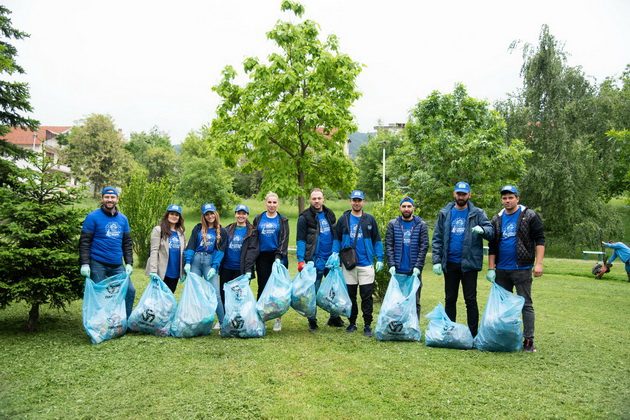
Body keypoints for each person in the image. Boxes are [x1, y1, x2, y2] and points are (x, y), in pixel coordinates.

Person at [431, 181, 494, 338]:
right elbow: (437, 237)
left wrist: (483, 230)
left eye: (464, 194)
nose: (461, 196)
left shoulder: (478, 213)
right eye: (458, 193)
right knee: (450, 299)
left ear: (469, 195)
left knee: (470, 300)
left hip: (469, 264)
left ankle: (473, 335)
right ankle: (450, 332)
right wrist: (437, 260)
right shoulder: (445, 213)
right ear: (454, 194)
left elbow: (491, 231)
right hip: (450, 263)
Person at [487, 185, 545, 352]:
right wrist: (491, 268)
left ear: (517, 198)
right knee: (502, 305)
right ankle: (504, 337)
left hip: (522, 268)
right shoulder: (497, 219)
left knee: (525, 304)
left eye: (510, 197)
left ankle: (528, 341)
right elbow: (492, 245)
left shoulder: (529, 216)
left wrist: (539, 263)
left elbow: (540, 240)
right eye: (504, 198)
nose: (507, 201)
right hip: (502, 269)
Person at [333, 190, 384, 337]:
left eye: (359, 200)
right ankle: (352, 323)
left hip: (366, 264)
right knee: (351, 296)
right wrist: (335, 255)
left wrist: (379, 258)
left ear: (363, 202)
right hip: (349, 265)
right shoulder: (343, 219)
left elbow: (377, 240)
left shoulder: (369, 220)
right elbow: (337, 239)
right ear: (350, 201)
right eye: (354, 200)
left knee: (367, 297)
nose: (356, 203)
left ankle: (367, 325)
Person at [79, 186, 136, 317]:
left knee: (129, 290)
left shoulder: (123, 219)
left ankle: (124, 321)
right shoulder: (92, 217)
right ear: (102, 198)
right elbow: (85, 242)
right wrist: (85, 264)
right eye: (107, 197)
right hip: (97, 263)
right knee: (99, 294)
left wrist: (129, 263)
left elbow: (126, 243)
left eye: (112, 197)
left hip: (117, 264)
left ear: (117, 199)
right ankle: (99, 323)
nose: (109, 200)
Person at [296, 188, 344, 332]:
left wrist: (336, 254)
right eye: (314, 199)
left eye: (319, 198)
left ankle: (334, 317)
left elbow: (336, 236)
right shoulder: (304, 217)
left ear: (323, 199)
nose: (317, 201)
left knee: (333, 290)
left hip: (330, 260)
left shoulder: (330, 214)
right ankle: (312, 320)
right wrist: (300, 259)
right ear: (310, 200)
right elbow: (301, 240)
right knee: (313, 291)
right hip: (314, 260)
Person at [184, 203, 227, 328]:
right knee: (195, 293)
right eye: (207, 214)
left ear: (215, 214)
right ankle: (194, 321)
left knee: (215, 294)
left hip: (209, 262)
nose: (210, 216)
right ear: (204, 216)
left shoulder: (221, 231)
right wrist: (187, 262)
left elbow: (220, 250)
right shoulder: (198, 228)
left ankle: (223, 323)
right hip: (196, 262)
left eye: (211, 213)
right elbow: (191, 245)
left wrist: (215, 266)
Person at [385, 196, 429, 318]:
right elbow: (388, 245)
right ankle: (397, 327)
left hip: (413, 272)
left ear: (413, 208)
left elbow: (424, 246)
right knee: (397, 301)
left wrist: (418, 266)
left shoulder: (421, 225)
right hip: (398, 271)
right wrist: (391, 264)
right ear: (400, 208)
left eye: (409, 206)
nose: (406, 209)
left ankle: (413, 328)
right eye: (404, 206)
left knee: (415, 302)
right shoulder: (393, 224)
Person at [253, 192, 289, 332]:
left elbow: (284, 240)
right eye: (269, 202)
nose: (272, 205)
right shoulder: (258, 219)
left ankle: (278, 319)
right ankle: (260, 317)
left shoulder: (283, 220)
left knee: (277, 291)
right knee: (262, 287)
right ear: (265, 203)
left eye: (274, 202)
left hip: (278, 257)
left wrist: (279, 257)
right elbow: (255, 238)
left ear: (278, 204)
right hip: (262, 257)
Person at [220, 204, 259, 313]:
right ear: (235, 214)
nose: (241, 216)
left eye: (243, 214)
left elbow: (252, 251)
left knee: (239, 296)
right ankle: (224, 318)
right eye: (239, 213)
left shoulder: (252, 231)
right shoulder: (227, 229)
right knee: (224, 293)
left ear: (247, 215)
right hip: (226, 267)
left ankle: (238, 319)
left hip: (241, 269)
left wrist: (248, 270)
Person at [146, 204, 186, 293]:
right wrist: (153, 270)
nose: (174, 216)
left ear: (179, 217)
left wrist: (183, 271)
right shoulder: (158, 230)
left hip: (175, 272)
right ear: (167, 215)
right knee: (158, 298)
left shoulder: (181, 232)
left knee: (169, 298)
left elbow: (183, 252)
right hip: (161, 271)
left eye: (177, 215)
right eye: (172, 214)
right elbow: (154, 250)